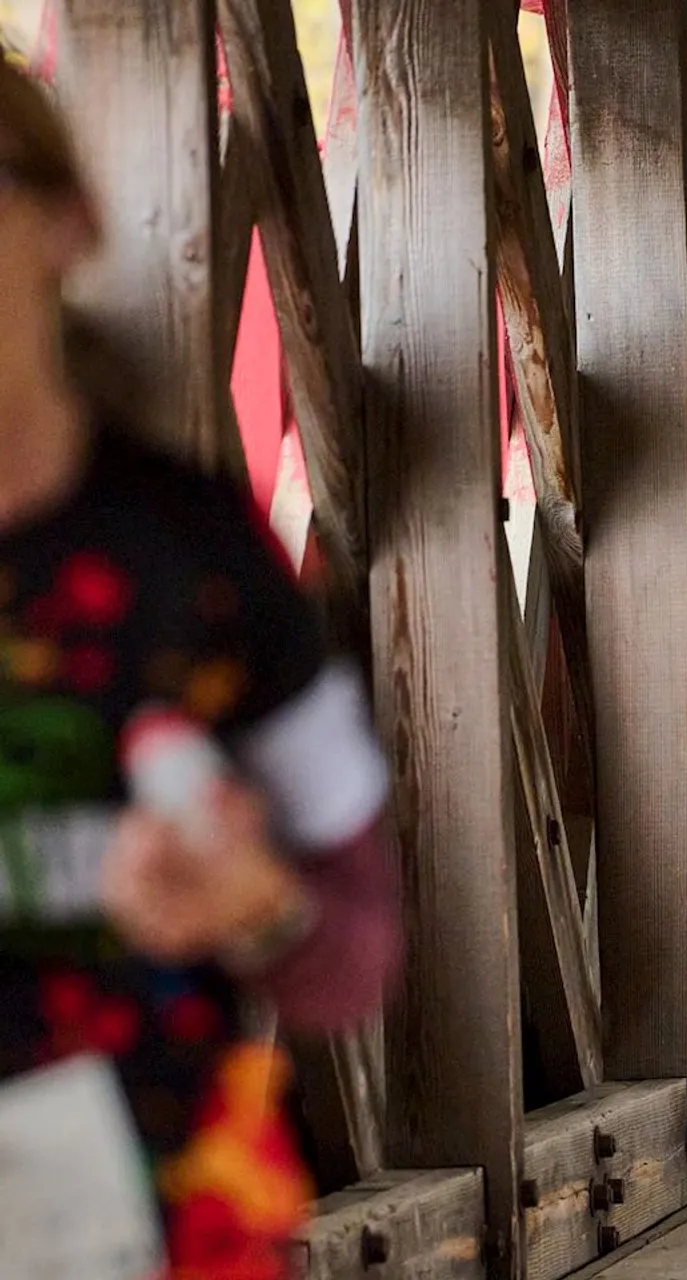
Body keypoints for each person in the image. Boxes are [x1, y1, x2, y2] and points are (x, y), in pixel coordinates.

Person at [0, 59, 401, 1276]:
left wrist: (257, 903)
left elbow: (356, 949)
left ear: (69, 222)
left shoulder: (196, 555)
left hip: (157, 1221)